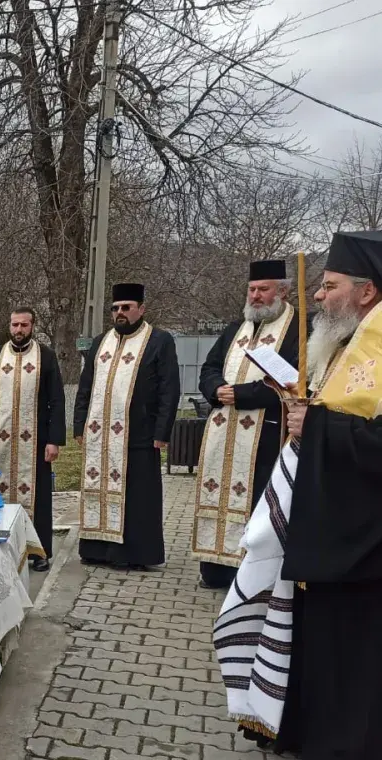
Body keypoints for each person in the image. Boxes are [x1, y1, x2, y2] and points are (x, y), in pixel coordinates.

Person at [214, 230, 382, 758]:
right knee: (311, 634)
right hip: (323, 526)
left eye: (330, 286)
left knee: (349, 650)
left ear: (367, 292)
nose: (320, 296)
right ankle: (300, 728)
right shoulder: (345, 343)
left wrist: (317, 426)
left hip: (360, 541)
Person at [193, 260, 302, 589]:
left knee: (256, 501)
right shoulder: (235, 328)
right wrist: (216, 389)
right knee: (219, 494)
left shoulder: (299, 329)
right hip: (223, 430)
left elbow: (293, 379)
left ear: (282, 292)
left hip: (267, 434)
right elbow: (209, 367)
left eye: (263, 289)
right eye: (252, 289)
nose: (255, 296)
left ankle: (251, 577)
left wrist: (239, 394)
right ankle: (216, 569)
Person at [73, 283, 180, 569]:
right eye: (115, 308)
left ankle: (134, 555)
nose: (119, 313)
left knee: (138, 497)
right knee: (97, 487)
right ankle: (97, 549)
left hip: (140, 433)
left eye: (126, 307)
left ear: (141, 309)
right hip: (100, 434)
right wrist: (80, 425)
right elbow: (86, 386)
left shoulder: (159, 340)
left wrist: (162, 431)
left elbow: (169, 388)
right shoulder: (101, 342)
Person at [0, 307, 66, 571]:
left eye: (24, 325)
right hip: (0, 443)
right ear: (9, 326)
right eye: (14, 325)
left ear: (32, 326)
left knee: (38, 496)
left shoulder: (46, 356)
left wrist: (54, 440)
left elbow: (57, 399)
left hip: (36, 443)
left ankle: (39, 552)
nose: (19, 330)